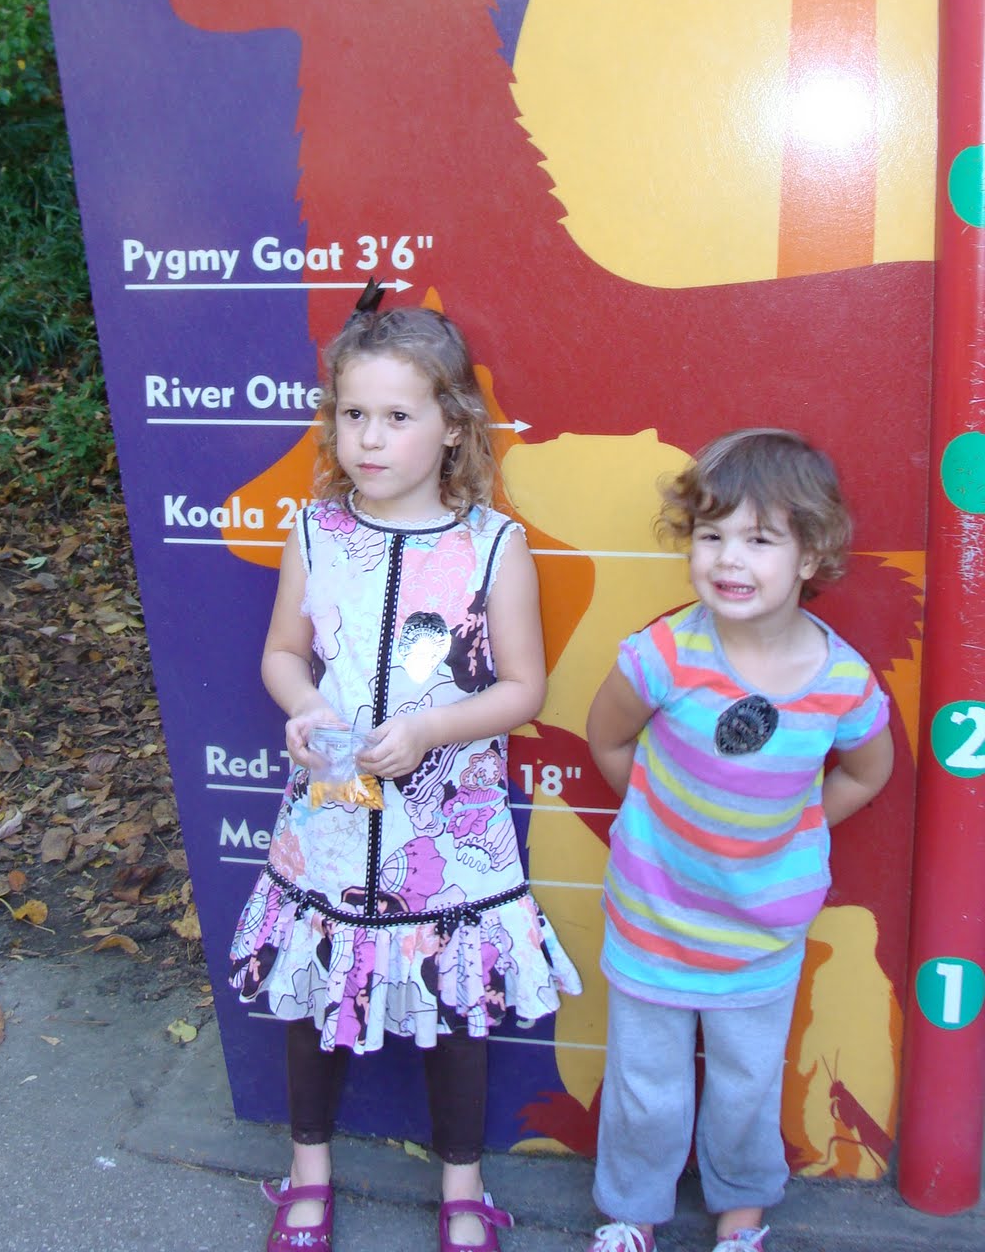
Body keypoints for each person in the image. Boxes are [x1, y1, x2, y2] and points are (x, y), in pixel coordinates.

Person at [230, 292, 581, 1252]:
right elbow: (282, 653)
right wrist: (305, 709)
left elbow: (524, 688)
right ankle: (308, 1172)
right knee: (314, 995)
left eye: (397, 416)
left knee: (456, 1007)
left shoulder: (493, 545)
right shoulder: (315, 532)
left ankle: (463, 1185)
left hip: (450, 833)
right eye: (353, 414)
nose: (371, 439)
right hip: (332, 824)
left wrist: (431, 730)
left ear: (453, 426)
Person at [585, 428, 894, 1252]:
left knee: (745, 1085)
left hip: (760, 936)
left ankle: (742, 1209)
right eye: (711, 534)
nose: (729, 558)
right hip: (654, 921)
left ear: (810, 554)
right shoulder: (663, 655)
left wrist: (795, 829)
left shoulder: (841, 683)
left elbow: (867, 772)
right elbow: (607, 739)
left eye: (760, 540)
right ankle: (633, 1210)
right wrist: (660, 824)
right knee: (645, 1086)